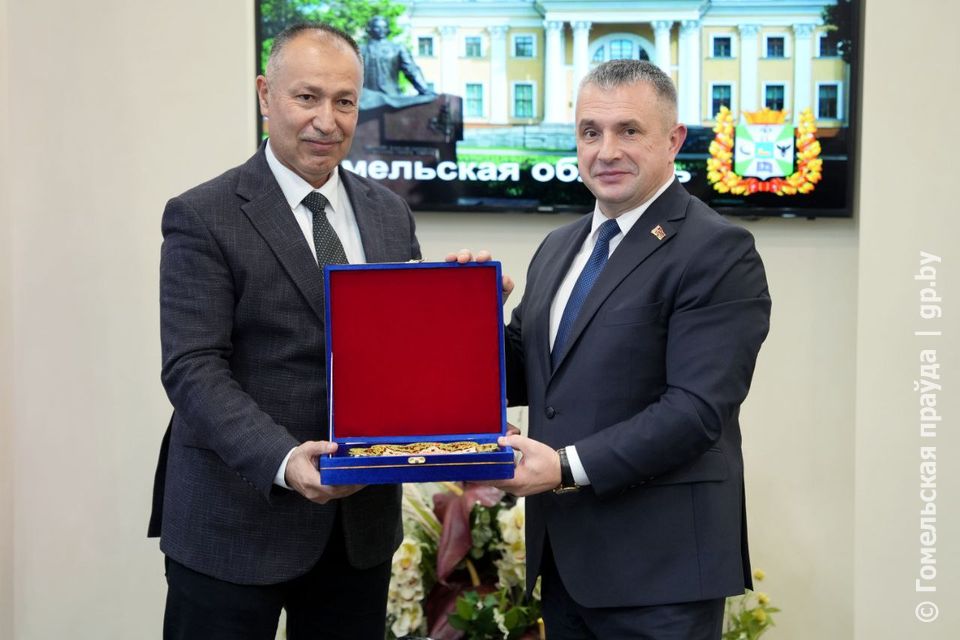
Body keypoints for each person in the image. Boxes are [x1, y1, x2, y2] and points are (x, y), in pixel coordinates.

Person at [457, 59, 771, 638]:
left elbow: (696, 411)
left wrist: (564, 468)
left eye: (628, 130)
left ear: (673, 140)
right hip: (566, 564)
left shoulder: (718, 251)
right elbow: (526, 372)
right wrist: (470, 316)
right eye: (590, 132)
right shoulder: (559, 246)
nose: (606, 151)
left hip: (662, 574)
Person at [148, 22, 421, 639]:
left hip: (358, 531)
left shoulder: (388, 213)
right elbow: (192, 368)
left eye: (344, 101)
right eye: (307, 97)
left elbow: (399, 352)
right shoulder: (203, 214)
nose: (327, 120)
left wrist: (460, 309)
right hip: (234, 520)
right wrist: (284, 459)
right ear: (265, 95)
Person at [358, 15, 435, 109]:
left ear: (388, 29)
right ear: (370, 29)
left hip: (392, 98)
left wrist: (425, 90)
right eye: (377, 27)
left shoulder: (398, 48)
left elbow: (411, 70)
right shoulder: (360, 50)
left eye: (384, 27)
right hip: (367, 101)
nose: (381, 30)